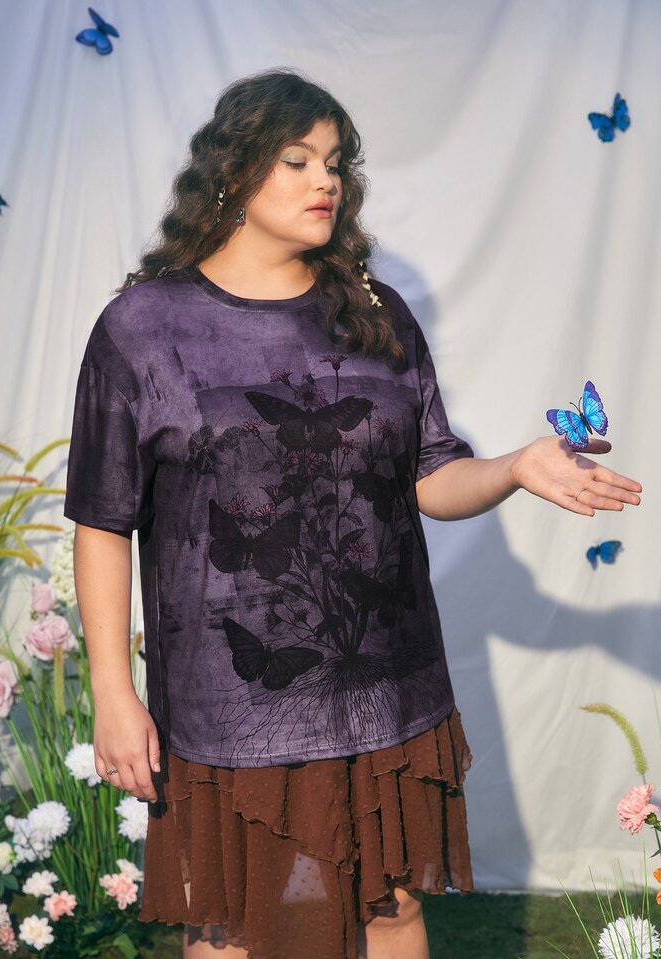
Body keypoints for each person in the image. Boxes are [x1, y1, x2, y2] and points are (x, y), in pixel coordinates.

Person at [63, 68, 642, 959]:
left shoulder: (375, 314)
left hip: (385, 689)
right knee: (232, 922)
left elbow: (430, 476)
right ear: (232, 172)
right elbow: (103, 518)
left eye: (335, 163)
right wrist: (112, 690)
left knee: (391, 908)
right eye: (297, 160)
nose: (324, 181)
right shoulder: (145, 327)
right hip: (230, 701)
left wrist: (516, 468)